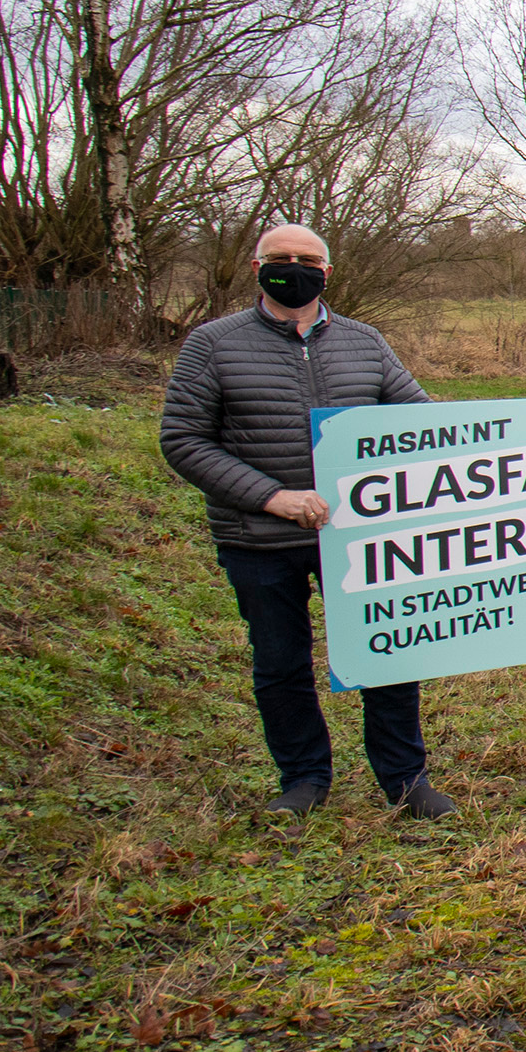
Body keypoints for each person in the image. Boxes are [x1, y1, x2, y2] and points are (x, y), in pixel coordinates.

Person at [158, 224, 454, 818]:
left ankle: (404, 780)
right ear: (255, 267)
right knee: (280, 662)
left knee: (389, 653)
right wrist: (272, 497)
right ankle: (302, 781)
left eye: (307, 259)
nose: (295, 268)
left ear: (328, 270)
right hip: (260, 538)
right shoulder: (213, 343)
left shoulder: (365, 342)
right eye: (281, 259)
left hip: (360, 540)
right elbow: (184, 440)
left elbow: (422, 425)